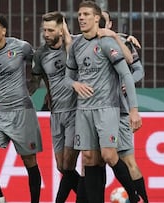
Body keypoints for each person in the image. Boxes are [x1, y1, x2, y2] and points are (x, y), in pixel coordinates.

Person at [65, 1, 142, 203]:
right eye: (80, 14)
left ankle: (133, 196)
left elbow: (126, 74)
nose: (81, 18)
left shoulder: (107, 43)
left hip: (107, 108)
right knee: (89, 159)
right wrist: (75, 84)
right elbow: (67, 77)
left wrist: (134, 110)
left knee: (109, 155)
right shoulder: (76, 45)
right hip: (84, 109)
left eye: (86, 14)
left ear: (97, 18)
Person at [0, 13, 43, 203]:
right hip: (0, 112)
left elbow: (39, 58)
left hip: (22, 112)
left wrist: (35, 81)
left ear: (4, 30)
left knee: (30, 162)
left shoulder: (21, 47)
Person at [31, 11, 80, 203]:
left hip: (75, 111)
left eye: (51, 30)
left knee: (69, 163)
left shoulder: (75, 44)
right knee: (61, 166)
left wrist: (126, 38)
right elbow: (39, 79)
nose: (46, 34)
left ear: (62, 29)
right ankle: (87, 196)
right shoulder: (41, 54)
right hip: (56, 112)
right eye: (44, 30)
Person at [101, 10, 149, 203]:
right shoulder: (84, 43)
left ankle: (141, 199)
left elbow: (138, 71)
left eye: (102, 22)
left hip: (118, 109)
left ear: (109, 24)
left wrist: (124, 82)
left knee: (128, 160)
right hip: (93, 110)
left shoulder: (124, 42)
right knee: (92, 162)